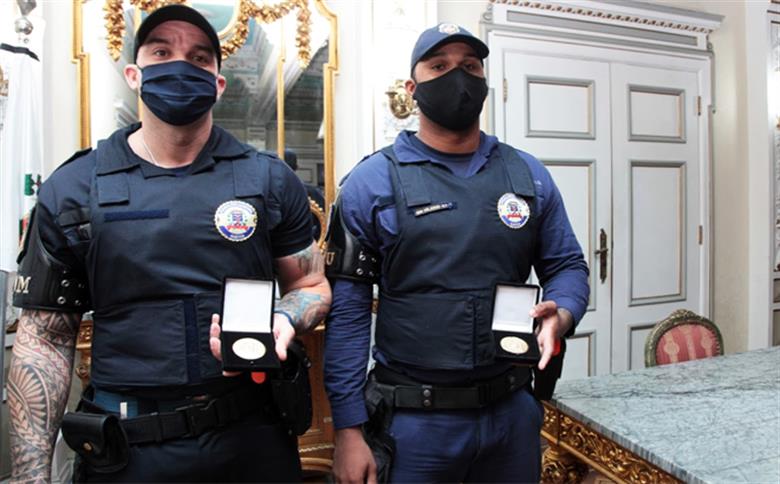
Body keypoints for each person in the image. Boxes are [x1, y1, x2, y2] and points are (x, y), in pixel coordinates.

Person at [8, 5, 330, 482]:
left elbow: (311, 284)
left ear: (218, 84)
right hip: (129, 449)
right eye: (162, 52)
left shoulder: (268, 179)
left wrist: (284, 318)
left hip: (249, 438)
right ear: (134, 75)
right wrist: (29, 476)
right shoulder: (75, 187)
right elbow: (44, 339)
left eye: (199, 58)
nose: (181, 65)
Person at [324, 23, 589, 483]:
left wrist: (561, 314)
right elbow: (348, 316)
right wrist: (348, 430)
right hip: (414, 424)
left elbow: (567, 265)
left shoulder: (527, 175)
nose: (458, 77)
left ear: (484, 80)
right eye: (439, 66)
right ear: (412, 88)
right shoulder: (371, 182)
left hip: (511, 413)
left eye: (470, 66)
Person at [283, 148, 326, 241]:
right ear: (297, 167)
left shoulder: (272, 193)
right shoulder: (312, 192)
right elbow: (324, 222)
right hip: (308, 243)